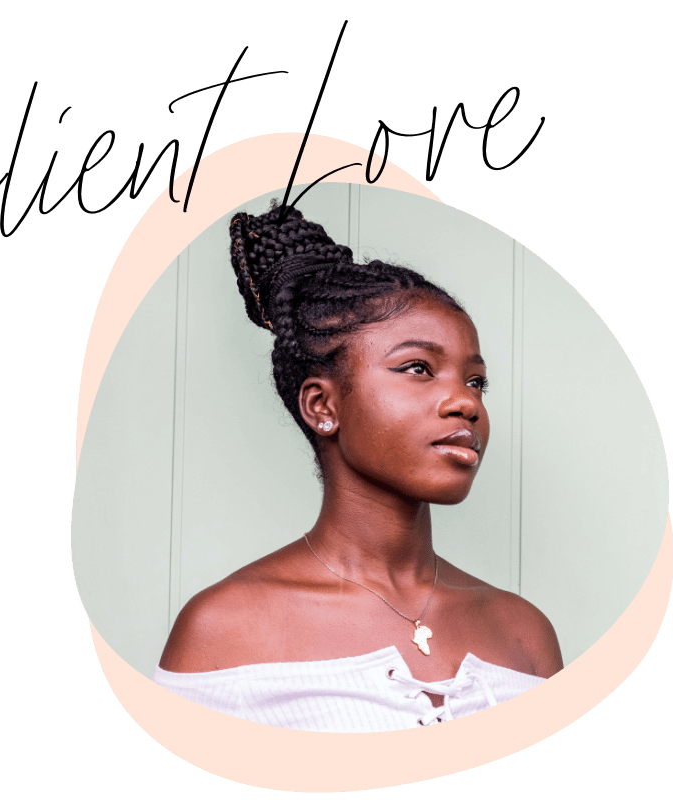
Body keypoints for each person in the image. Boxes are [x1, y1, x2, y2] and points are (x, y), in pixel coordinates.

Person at [154, 199, 563, 732]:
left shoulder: (525, 632)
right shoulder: (224, 628)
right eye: (418, 368)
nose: (466, 403)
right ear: (323, 407)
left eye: (475, 380)